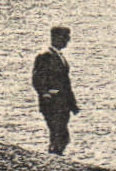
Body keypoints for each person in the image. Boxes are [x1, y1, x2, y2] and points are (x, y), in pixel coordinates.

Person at [32, 26, 80, 155]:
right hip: (53, 103)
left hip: (62, 104)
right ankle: (54, 158)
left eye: (68, 37)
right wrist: (46, 94)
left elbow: (65, 83)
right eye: (65, 37)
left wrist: (72, 104)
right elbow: (37, 78)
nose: (67, 41)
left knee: (61, 135)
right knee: (59, 134)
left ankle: (55, 157)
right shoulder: (45, 55)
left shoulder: (59, 56)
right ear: (55, 37)